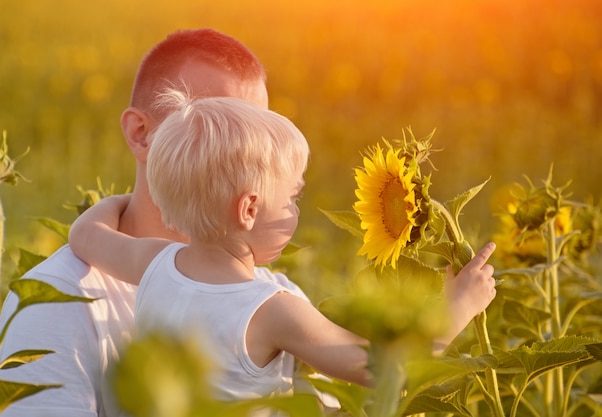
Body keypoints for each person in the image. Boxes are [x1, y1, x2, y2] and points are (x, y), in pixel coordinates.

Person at [68, 91, 498, 403]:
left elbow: (84, 235)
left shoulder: (153, 262)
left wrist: (125, 199)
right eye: (292, 197)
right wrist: (460, 306)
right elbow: (386, 372)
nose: (296, 208)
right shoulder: (272, 309)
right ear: (249, 210)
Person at [0, 28, 269, 417]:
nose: (245, 157)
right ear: (141, 134)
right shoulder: (58, 299)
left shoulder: (263, 285)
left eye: (260, 136)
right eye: (213, 127)